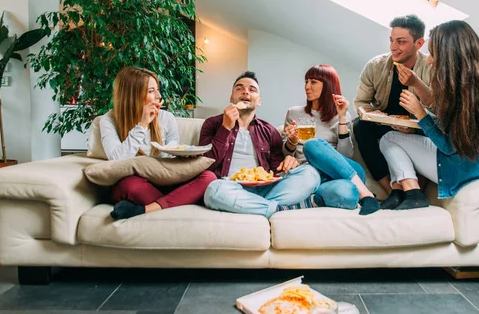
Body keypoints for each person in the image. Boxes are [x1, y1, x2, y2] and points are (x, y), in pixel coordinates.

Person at [378, 20, 479, 210]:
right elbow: (454, 130)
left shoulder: (459, 92)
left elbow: (449, 147)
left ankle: (412, 193)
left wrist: (420, 114)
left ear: (449, 55)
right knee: (394, 136)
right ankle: (406, 192)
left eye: (433, 54)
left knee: (388, 139)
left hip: (461, 171)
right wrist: (416, 130)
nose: (429, 60)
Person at [101, 66, 217, 220]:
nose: (159, 95)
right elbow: (116, 160)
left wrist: (185, 157)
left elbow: (172, 153)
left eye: (157, 89)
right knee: (129, 186)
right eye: (151, 91)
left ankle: (145, 209)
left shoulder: (166, 118)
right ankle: (176, 201)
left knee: (209, 177)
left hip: (165, 180)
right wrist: (142, 124)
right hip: (137, 182)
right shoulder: (109, 120)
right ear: (133, 94)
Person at [200, 71, 321, 218]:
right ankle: (278, 209)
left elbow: (277, 170)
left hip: (265, 188)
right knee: (213, 190)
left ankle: (254, 206)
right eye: (239, 88)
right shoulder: (212, 124)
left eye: (252, 90)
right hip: (229, 187)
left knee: (311, 173)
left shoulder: (269, 131)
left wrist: (289, 162)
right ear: (231, 97)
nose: (245, 92)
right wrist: (225, 128)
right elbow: (206, 164)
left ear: (259, 101)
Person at [283, 65, 379, 215]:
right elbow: (285, 153)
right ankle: (315, 198)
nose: (307, 86)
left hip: (345, 172)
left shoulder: (341, 116)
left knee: (312, 144)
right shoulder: (294, 113)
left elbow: (346, 156)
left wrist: (341, 118)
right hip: (312, 176)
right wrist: (292, 141)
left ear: (327, 85)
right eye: (306, 81)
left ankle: (366, 194)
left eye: (313, 82)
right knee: (347, 194)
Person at [353, 14, 432, 196]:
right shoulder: (376, 66)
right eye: (392, 40)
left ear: (419, 44)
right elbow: (361, 101)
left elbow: (439, 109)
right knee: (360, 126)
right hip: (384, 123)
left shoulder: (431, 67)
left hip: (419, 125)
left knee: (436, 129)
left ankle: (416, 190)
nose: (393, 47)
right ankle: (391, 191)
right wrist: (375, 115)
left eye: (401, 42)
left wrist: (414, 127)